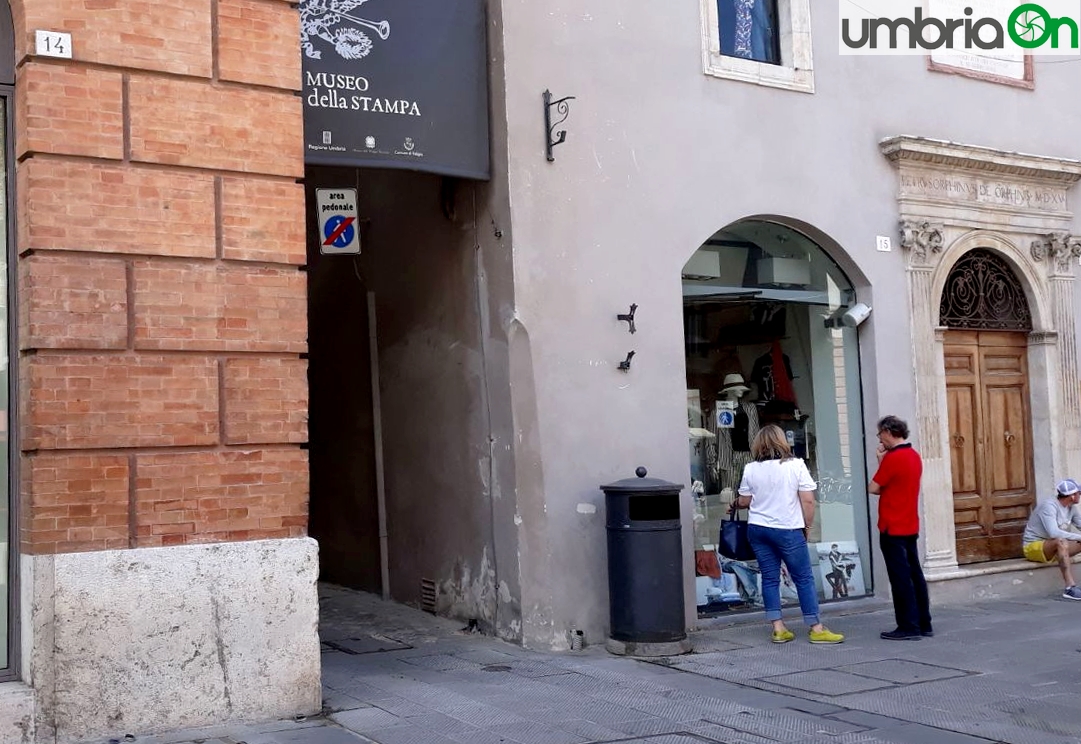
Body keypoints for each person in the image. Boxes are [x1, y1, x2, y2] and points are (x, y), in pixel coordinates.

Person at [735, 424, 844, 644]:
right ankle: (816, 627)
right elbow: (808, 500)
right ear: (782, 441)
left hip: (758, 529)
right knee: (803, 578)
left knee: (769, 578)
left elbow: (745, 501)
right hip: (788, 529)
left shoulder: (751, 468)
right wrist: (808, 526)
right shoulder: (796, 465)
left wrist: (734, 504)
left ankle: (778, 627)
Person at [869, 415, 932, 640]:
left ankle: (908, 625)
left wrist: (881, 461)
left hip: (892, 525)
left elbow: (874, 487)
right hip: (909, 523)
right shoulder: (914, 455)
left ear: (888, 432)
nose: (879, 439)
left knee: (900, 578)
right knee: (915, 574)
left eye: (880, 434)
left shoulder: (893, 458)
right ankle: (924, 623)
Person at [1021, 479, 1081, 600]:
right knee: (1060, 541)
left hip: (1057, 549)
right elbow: (1053, 533)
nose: (1080, 496)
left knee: (1062, 542)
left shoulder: (1072, 508)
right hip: (1034, 547)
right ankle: (1070, 588)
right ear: (1072, 496)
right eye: (1079, 493)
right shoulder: (1049, 506)